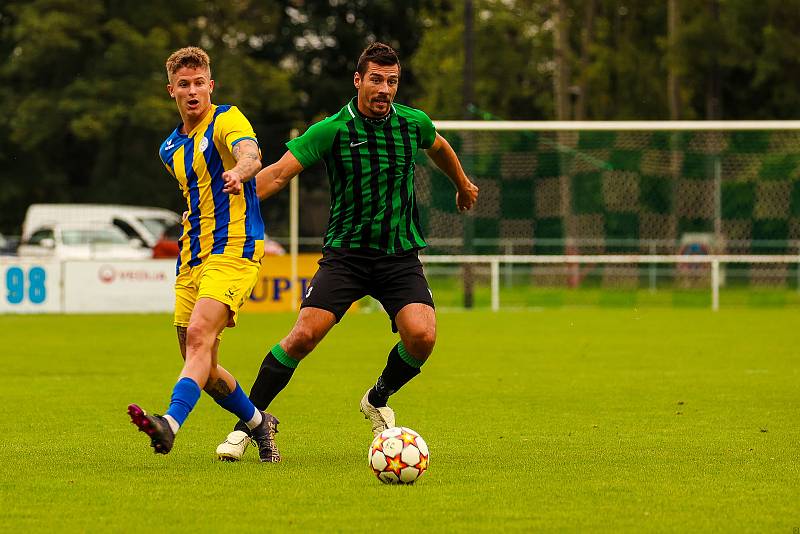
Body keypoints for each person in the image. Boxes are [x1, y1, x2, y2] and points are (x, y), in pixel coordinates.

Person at [215, 42, 479, 462]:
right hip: (347, 257)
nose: (384, 89)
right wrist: (231, 205)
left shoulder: (413, 123)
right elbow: (280, 174)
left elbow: (440, 147)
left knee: (423, 336)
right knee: (302, 336)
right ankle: (248, 425)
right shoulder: (332, 129)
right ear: (358, 80)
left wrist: (462, 184)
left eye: (392, 81)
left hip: (398, 256)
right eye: (376, 79)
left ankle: (378, 397)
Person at [126, 46, 280, 463]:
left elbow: (250, 152)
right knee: (204, 369)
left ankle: (169, 424)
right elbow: (195, 193)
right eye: (183, 85)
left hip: (235, 250)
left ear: (211, 86)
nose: (192, 91)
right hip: (191, 258)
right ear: (171, 91)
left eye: (199, 83)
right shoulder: (169, 149)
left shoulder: (226, 118)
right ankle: (258, 424)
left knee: (198, 337)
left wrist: (239, 171)